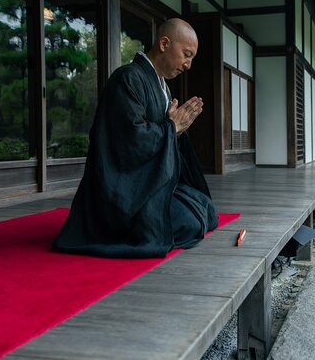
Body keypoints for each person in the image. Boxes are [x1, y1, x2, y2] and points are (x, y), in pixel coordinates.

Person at [53, 18, 218, 258]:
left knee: (206, 208)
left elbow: (160, 134)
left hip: (150, 185)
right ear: (164, 43)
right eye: (186, 54)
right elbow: (128, 142)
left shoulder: (162, 87)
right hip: (123, 193)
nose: (188, 65)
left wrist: (175, 129)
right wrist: (171, 127)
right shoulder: (127, 79)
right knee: (188, 221)